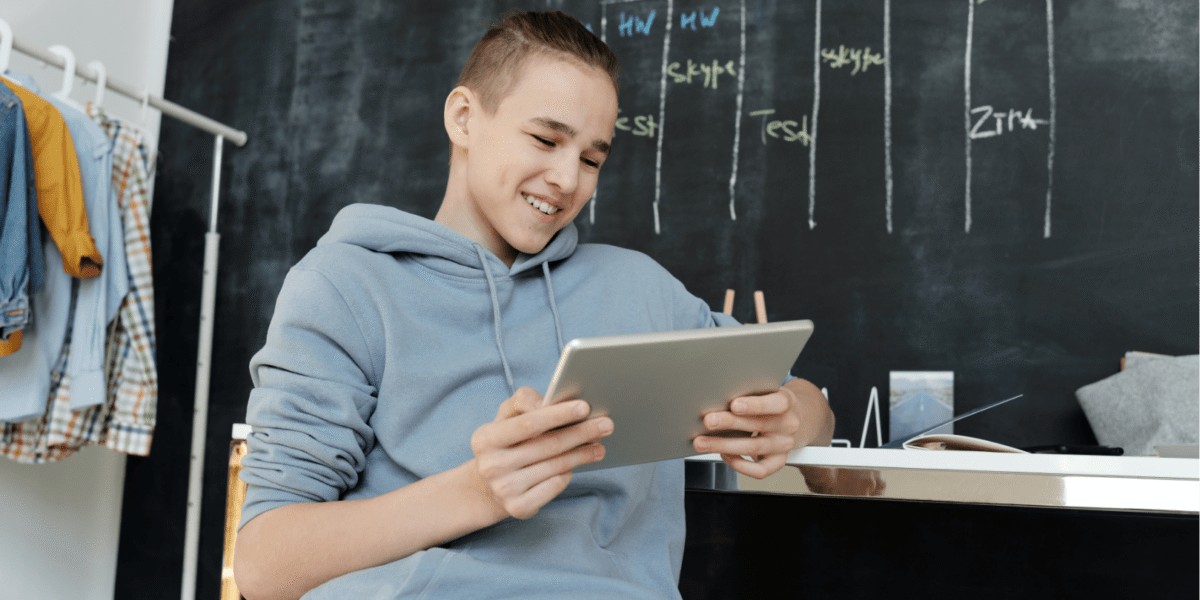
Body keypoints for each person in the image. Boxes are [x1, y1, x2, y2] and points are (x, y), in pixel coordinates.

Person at [234, 10, 834, 600]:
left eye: (592, 159)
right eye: (546, 139)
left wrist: (789, 421)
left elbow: (806, 401)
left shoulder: (641, 290)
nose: (568, 180)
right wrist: (479, 491)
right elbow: (265, 564)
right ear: (464, 117)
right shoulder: (347, 286)